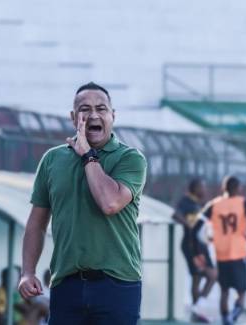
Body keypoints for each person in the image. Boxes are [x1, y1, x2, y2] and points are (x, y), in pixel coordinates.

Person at [18, 82, 147, 325]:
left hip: (118, 285)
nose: (93, 115)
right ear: (73, 117)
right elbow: (36, 223)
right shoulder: (52, 160)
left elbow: (110, 203)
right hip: (67, 284)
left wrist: (88, 155)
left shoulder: (130, 159)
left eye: (101, 109)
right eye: (85, 109)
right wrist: (28, 272)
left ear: (112, 116)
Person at [193, 176, 246, 325]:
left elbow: (196, 227)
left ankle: (226, 319)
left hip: (221, 254)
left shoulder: (214, 205)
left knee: (224, 291)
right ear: (238, 188)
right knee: (241, 292)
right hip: (239, 253)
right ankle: (233, 316)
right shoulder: (243, 202)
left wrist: (200, 247)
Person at [172, 178, 217, 323]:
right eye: (202, 187)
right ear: (195, 188)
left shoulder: (199, 203)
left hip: (200, 245)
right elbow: (175, 215)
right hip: (192, 245)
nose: (205, 190)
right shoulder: (186, 201)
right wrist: (190, 226)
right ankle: (198, 308)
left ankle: (197, 312)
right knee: (211, 275)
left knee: (198, 278)